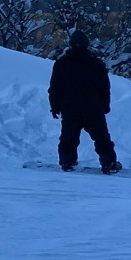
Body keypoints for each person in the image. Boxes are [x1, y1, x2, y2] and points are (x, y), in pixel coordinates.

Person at [48, 29, 122, 174]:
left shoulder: (62, 64)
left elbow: (55, 88)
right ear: (87, 45)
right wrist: (105, 105)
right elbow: (105, 87)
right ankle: (109, 163)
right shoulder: (96, 64)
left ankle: (67, 162)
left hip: (70, 108)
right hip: (93, 108)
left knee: (68, 137)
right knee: (101, 138)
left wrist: (55, 107)